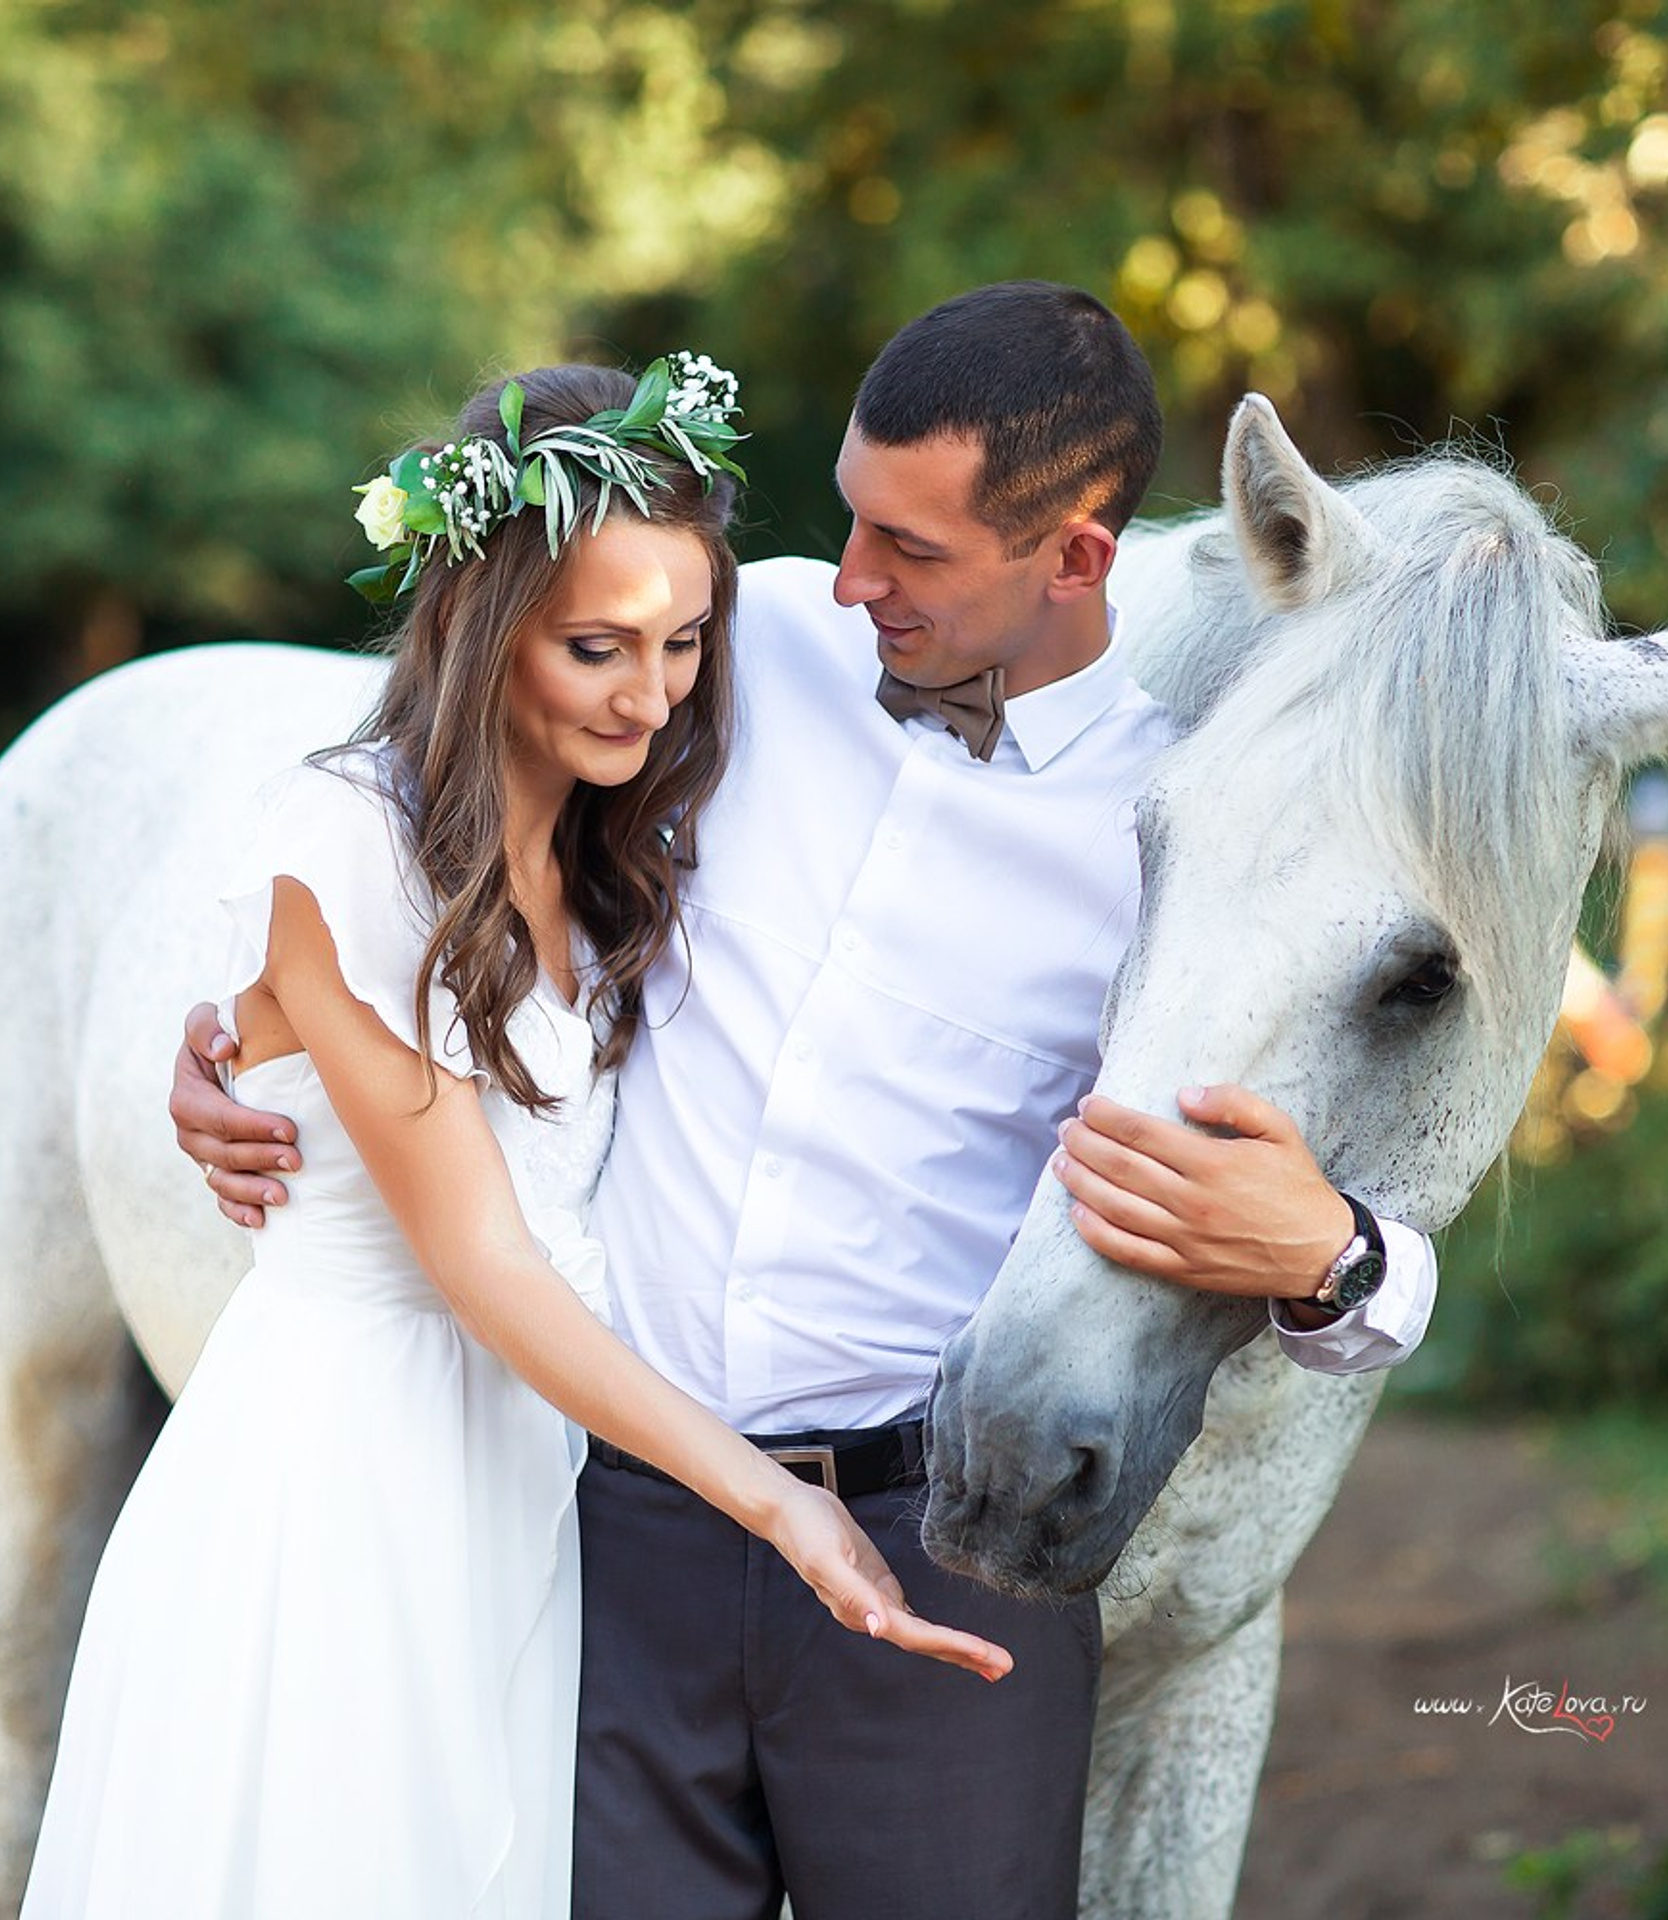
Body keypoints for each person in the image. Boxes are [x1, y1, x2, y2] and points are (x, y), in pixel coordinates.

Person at [176, 286, 1438, 1918]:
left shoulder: (1181, 827)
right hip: (605, 1537)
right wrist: (240, 1032)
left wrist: (1337, 1253)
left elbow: (1367, 1146)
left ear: (1075, 556)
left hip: (943, 1555)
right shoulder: (721, 636)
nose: (849, 580)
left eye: (911, 550)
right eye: (851, 519)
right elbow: (416, 804)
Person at [25, 358, 1008, 1920]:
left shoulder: (615, 835)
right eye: (597, 648)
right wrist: (772, 1499)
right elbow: (480, 1255)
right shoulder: (349, 843)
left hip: (528, 1477)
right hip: (348, 1481)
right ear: (485, 629)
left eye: (686, 642)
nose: (651, 692)